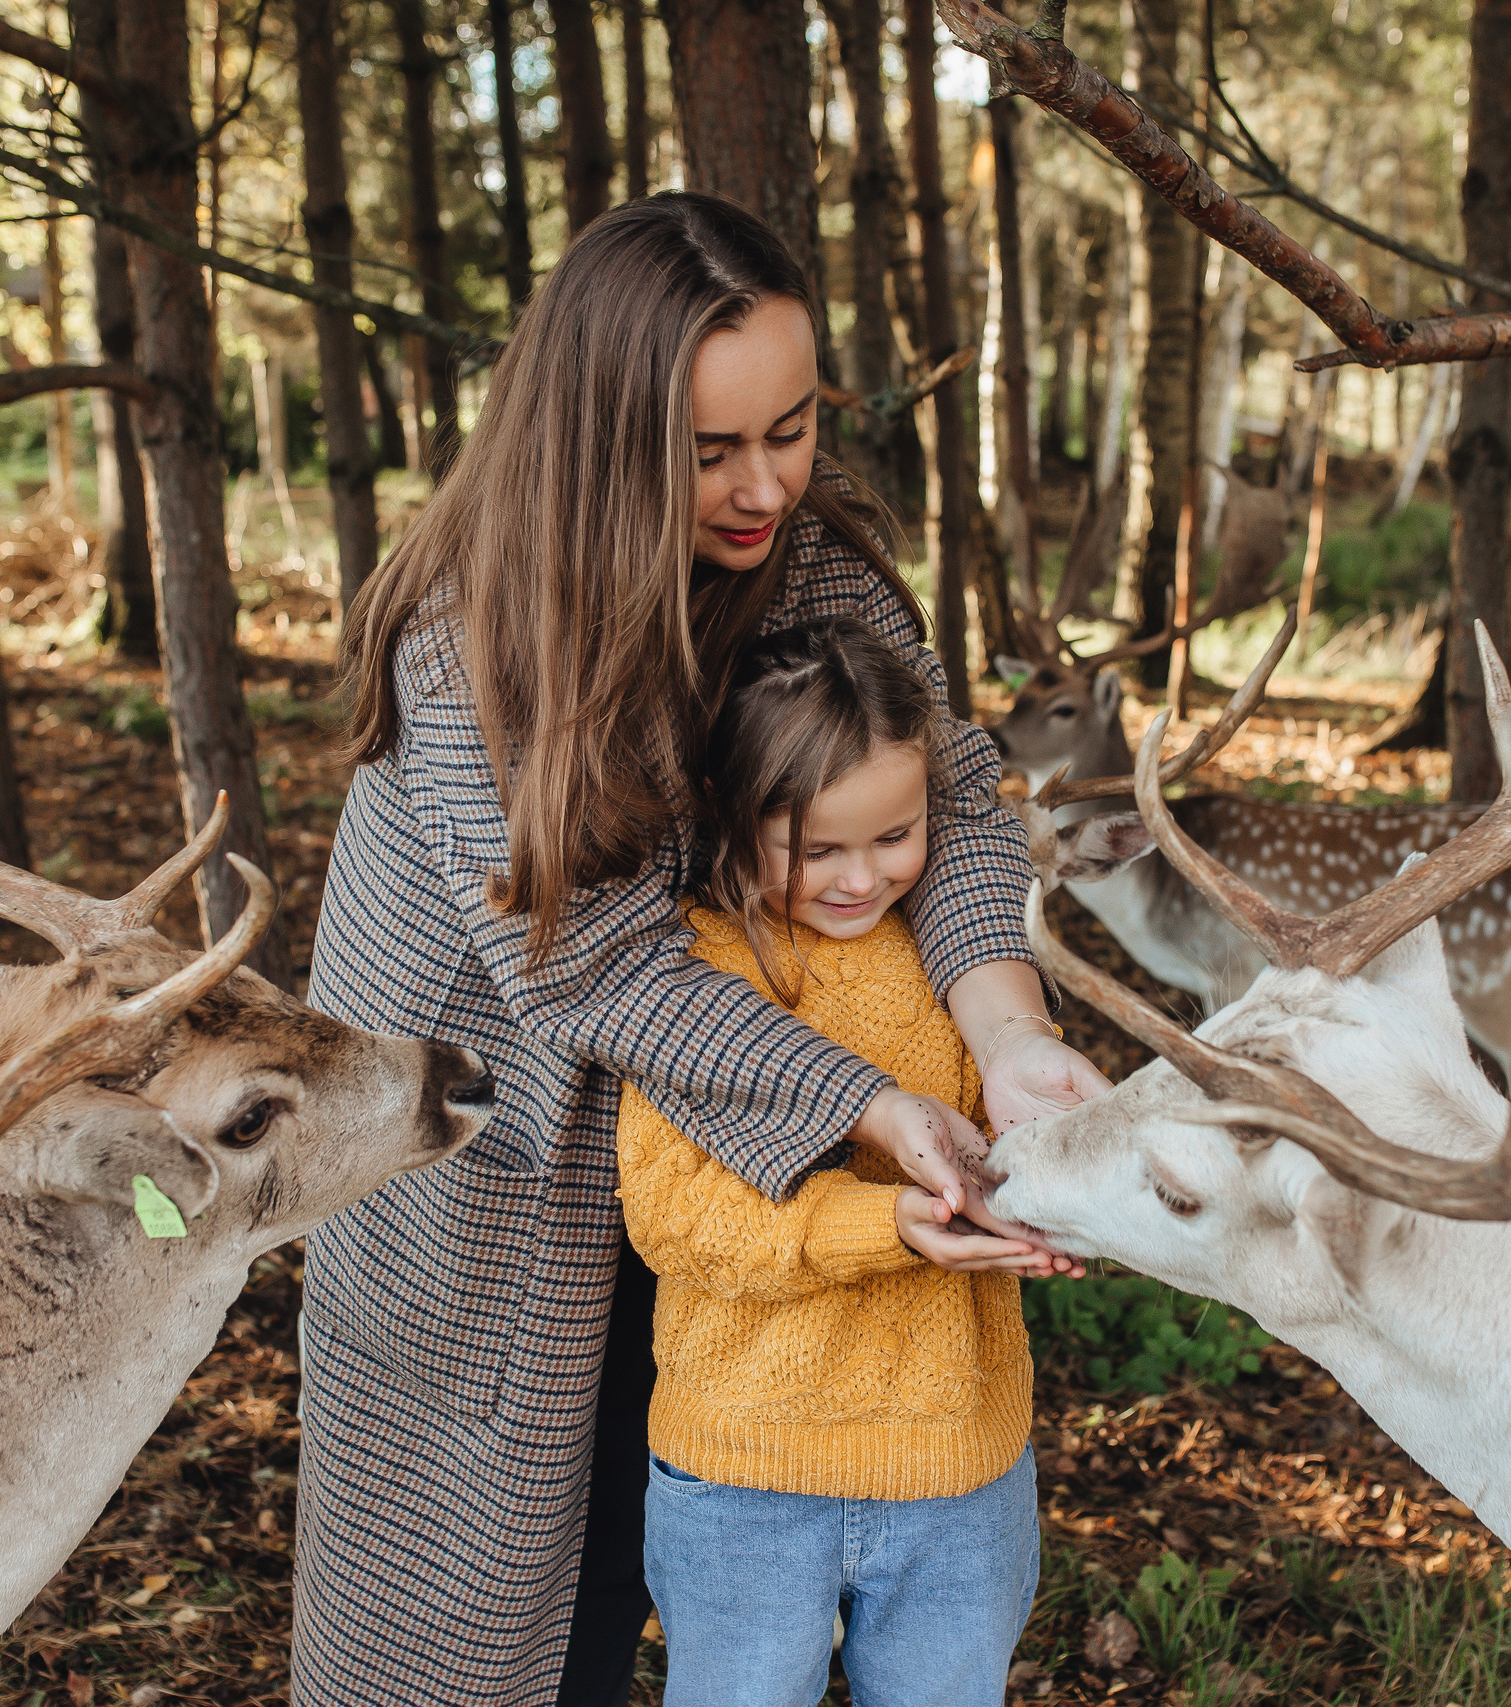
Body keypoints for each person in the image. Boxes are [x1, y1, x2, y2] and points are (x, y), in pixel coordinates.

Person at [294, 191, 1108, 1707]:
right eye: (710, 449)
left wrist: (1005, 1032)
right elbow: (598, 966)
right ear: (602, 431)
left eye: (792, 428)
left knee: (713, 1520)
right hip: (487, 1158)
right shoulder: (472, 633)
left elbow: (959, 796)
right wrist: (872, 1104)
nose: (764, 485)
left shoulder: (817, 571)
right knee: (510, 1594)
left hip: (726, 1124)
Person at [620, 617, 1047, 1705]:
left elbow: (999, 1155)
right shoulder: (691, 973)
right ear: (731, 817)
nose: (862, 879)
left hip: (957, 1469)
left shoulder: (956, 966)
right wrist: (879, 1225)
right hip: (743, 1477)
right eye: (815, 849)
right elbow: (673, 1218)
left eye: (895, 836)